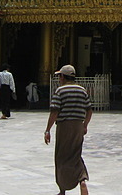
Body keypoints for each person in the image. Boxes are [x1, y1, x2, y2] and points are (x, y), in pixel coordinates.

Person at [44, 64, 92, 195]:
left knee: (61, 157)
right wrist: (85, 125)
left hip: (64, 126)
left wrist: (48, 129)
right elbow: (89, 110)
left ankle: (62, 189)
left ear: (62, 77)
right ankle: (82, 180)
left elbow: (54, 111)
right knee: (76, 155)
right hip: (78, 126)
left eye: (59, 76)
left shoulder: (60, 91)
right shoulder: (82, 90)